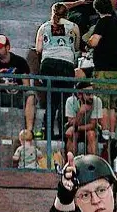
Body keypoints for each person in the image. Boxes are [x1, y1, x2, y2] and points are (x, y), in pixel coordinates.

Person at [85, 0, 117, 138]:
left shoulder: (102, 23)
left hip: (102, 69)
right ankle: (112, 133)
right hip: (116, 70)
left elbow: (94, 42)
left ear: (97, 9)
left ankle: (104, 134)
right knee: (113, 105)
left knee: (102, 103)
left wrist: (88, 40)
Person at [36, 2, 82, 139]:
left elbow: (38, 49)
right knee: (64, 99)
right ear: (67, 13)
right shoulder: (73, 27)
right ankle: (63, 133)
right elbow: (77, 46)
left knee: (51, 100)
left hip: (48, 64)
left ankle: (47, 132)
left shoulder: (44, 27)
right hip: (66, 65)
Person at [0, 34, 36, 140]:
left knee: (31, 95)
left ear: (7, 47)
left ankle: (29, 131)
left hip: (16, 94)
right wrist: (4, 85)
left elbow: (26, 85)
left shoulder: (20, 61)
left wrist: (15, 88)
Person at [65, 87, 102, 155]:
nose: (91, 96)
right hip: (75, 128)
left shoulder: (97, 101)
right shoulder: (70, 101)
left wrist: (76, 128)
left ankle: (92, 163)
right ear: (80, 95)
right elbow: (71, 122)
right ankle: (71, 162)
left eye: (92, 94)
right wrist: (80, 113)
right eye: (88, 94)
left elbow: (93, 125)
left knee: (91, 134)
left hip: (90, 129)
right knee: (72, 135)